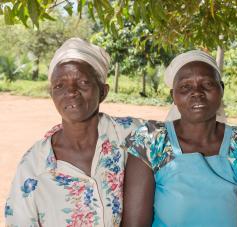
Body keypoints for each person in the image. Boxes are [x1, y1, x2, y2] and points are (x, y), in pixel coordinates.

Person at [4, 38, 142, 226]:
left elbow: (179, 134)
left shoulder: (130, 134)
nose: (71, 92)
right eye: (59, 85)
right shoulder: (34, 164)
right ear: (51, 94)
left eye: (83, 82)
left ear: (103, 91)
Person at [122, 50, 237, 227]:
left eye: (207, 84)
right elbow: (135, 223)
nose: (197, 93)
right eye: (185, 87)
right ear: (173, 96)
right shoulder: (151, 140)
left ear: (221, 88)